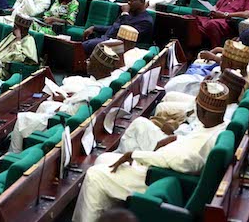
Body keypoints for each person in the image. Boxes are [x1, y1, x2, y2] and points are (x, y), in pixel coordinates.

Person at [71, 81, 229, 222]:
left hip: (160, 176)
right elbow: (189, 150)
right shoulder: (220, 125)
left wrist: (135, 155)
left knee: (94, 176)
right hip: (162, 168)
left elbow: (186, 162)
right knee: (103, 160)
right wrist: (176, 139)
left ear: (203, 112)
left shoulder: (209, 138)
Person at [82, 0, 154, 54]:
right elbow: (115, 27)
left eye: (133, 0)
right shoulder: (130, 13)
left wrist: (125, 13)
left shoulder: (146, 21)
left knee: (84, 47)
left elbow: (127, 36)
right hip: (107, 39)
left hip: (121, 47)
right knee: (82, 44)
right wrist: (94, 27)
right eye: (128, 0)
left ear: (142, 2)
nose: (129, 3)